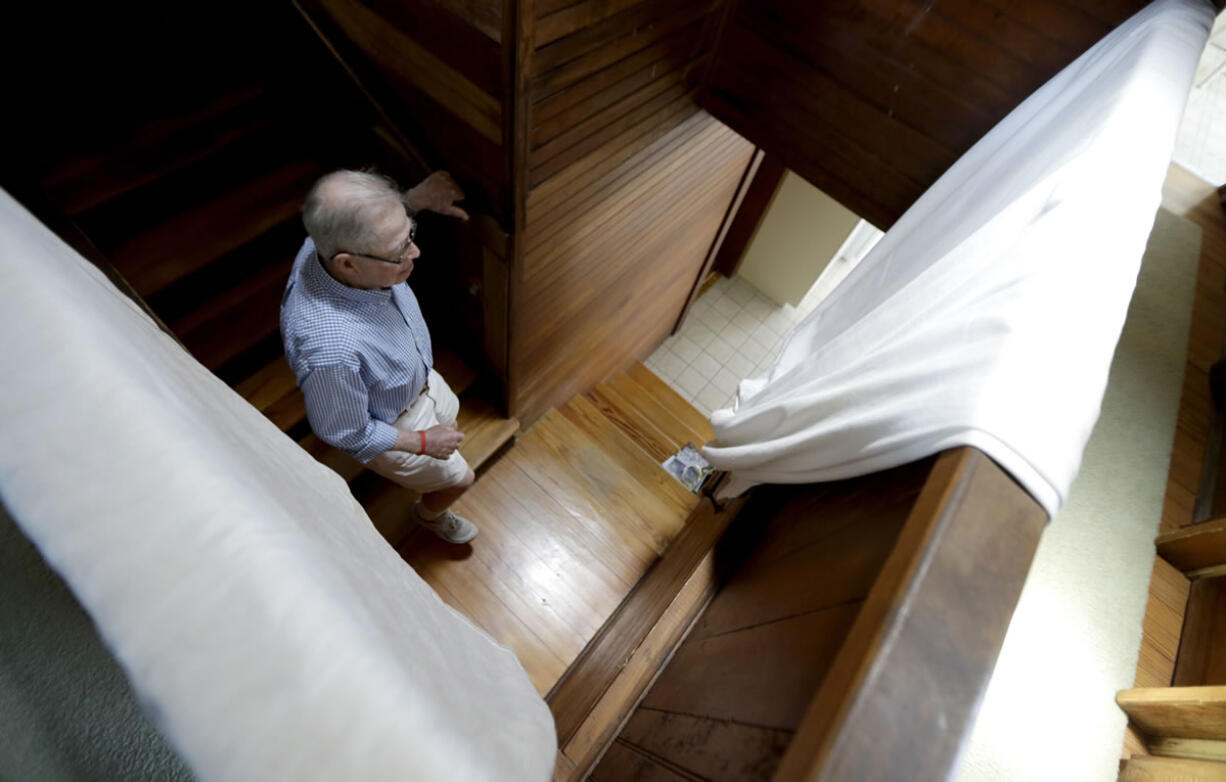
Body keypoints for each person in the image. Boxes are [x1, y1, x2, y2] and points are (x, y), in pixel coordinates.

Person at [280, 169, 478, 544]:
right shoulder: (330, 350)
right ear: (348, 264)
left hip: (419, 380)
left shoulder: (330, 237)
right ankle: (429, 514)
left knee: (449, 417)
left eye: (409, 235)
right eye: (400, 248)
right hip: (397, 422)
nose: (415, 252)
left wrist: (414, 200)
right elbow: (346, 430)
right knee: (461, 479)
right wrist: (422, 443)